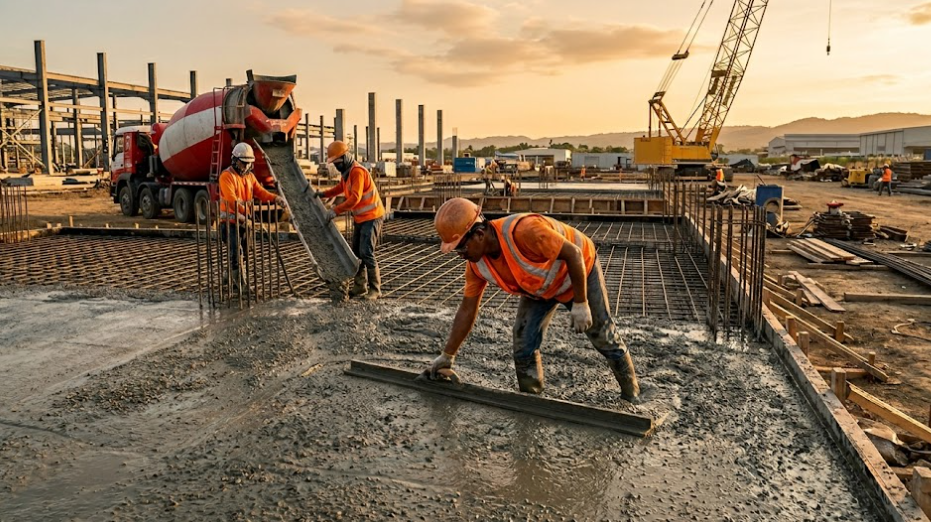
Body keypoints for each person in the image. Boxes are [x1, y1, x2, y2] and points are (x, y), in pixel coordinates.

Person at [425, 198, 640, 402]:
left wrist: (581, 303)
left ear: (479, 234)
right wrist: (447, 355)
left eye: (461, 247)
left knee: (602, 335)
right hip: (541, 287)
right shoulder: (476, 266)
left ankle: (632, 396)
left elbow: (574, 254)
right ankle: (531, 400)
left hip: (577, 271)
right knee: (523, 342)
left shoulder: (525, 232)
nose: (460, 254)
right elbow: (467, 310)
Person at [316, 141, 386, 300]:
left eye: (337, 162)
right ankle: (360, 287)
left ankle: (375, 289)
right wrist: (322, 194)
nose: (336, 166)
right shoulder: (347, 173)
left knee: (366, 252)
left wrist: (335, 211)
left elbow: (355, 198)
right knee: (356, 253)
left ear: (345, 157)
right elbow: (339, 189)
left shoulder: (357, 172)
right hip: (361, 218)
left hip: (372, 217)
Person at [218, 142, 286, 289]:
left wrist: (275, 198)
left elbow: (260, 192)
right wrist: (243, 214)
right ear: (235, 161)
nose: (246, 167)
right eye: (244, 164)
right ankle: (241, 284)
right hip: (230, 223)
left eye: (249, 164)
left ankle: (229, 276)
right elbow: (231, 200)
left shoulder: (249, 177)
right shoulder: (227, 176)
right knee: (236, 252)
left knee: (245, 252)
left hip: (244, 222)